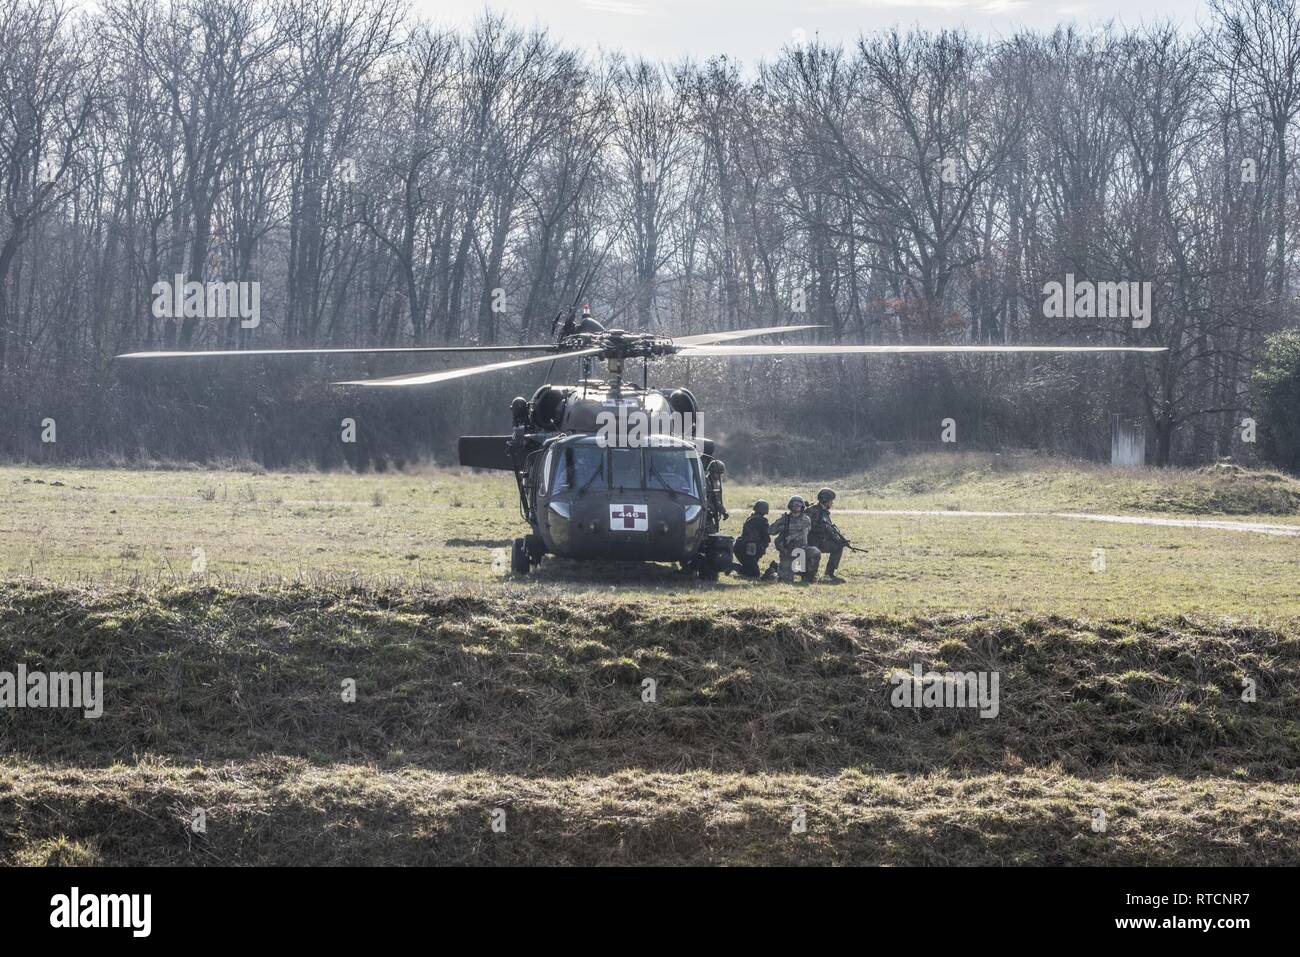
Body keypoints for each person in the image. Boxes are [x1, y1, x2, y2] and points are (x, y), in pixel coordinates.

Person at [767, 495, 820, 583]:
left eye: (798, 505)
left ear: (802, 507)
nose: (796, 507)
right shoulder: (784, 519)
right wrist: (781, 527)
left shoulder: (805, 519)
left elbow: (803, 532)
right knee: (785, 580)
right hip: (787, 551)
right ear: (790, 506)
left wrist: (789, 531)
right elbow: (770, 530)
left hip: (801, 550)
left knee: (814, 552)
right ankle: (774, 570)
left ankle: (809, 575)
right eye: (794, 505)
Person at [806, 487, 848, 581]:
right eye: (831, 501)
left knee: (838, 546)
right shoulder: (813, 511)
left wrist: (837, 538)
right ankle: (814, 574)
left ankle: (829, 573)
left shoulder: (824, 512)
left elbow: (828, 528)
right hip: (812, 542)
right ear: (826, 501)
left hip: (820, 540)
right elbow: (808, 527)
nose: (832, 503)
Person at [731, 500, 770, 577]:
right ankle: (732, 566)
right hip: (749, 548)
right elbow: (765, 537)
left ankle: (735, 567)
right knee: (754, 573)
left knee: (750, 570)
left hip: (743, 547)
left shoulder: (751, 518)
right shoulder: (760, 521)